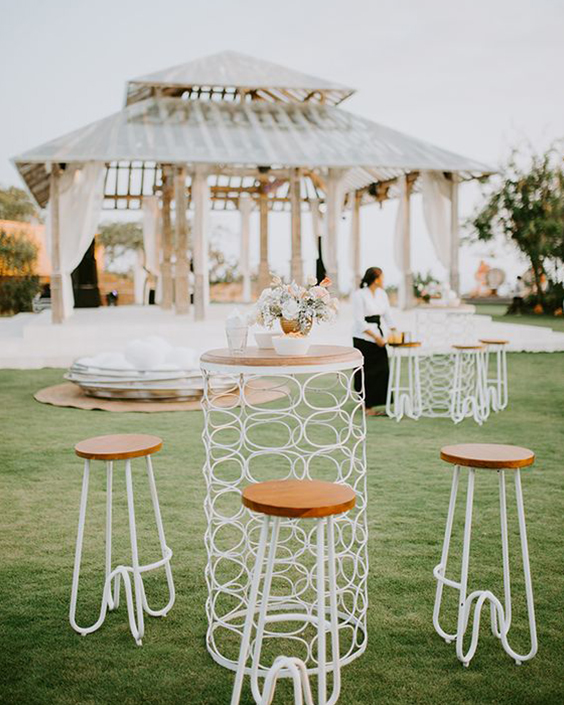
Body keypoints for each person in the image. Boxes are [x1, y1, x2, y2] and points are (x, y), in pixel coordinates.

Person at [352, 267, 396, 416]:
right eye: (382, 277)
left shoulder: (382, 294)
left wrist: (394, 331)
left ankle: (378, 402)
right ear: (376, 279)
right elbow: (359, 321)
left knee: (382, 370)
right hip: (363, 338)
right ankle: (365, 405)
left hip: (378, 336)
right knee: (365, 372)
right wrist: (376, 338)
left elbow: (388, 315)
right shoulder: (359, 295)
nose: (384, 280)